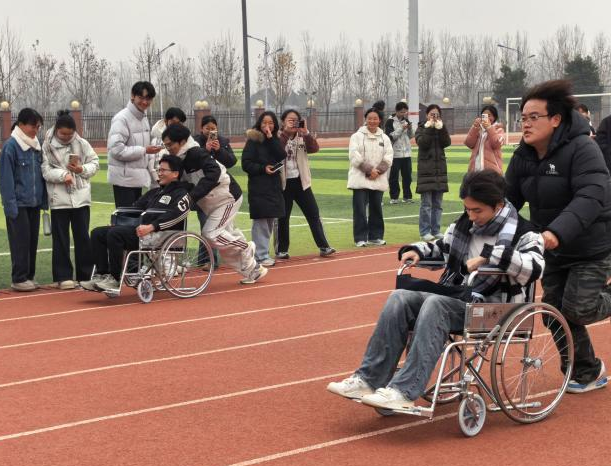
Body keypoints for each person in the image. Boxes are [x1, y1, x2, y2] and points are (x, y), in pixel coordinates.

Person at [327, 170, 545, 410]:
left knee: (436, 303)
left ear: (499, 205)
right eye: (468, 209)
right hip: (459, 298)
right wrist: (418, 252)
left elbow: (535, 268)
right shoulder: (464, 225)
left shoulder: (526, 233)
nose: (471, 217)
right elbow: (443, 249)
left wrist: (489, 256)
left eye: (478, 211)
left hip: (498, 308)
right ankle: (368, 380)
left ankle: (403, 391)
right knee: (399, 297)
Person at [505, 79, 611, 393]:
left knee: (578, 309)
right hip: (551, 249)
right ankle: (587, 371)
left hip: (592, 247)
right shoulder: (523, 156)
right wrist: (470, 226)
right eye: (523, 118)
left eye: (533, 117)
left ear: (555, 119)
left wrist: (555, 232)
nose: (525, 123)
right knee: (553, 314)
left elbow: (590, 197)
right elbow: (506, 202)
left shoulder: (583, 148)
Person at [163, 124, 265, 285]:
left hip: (227, 197)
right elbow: (185, 183)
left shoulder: (196, 153)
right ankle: (254, 270)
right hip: (211, 203)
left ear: (182, 141)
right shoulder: (179, 159)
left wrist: (192, 196)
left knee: (210, 233)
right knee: (225, 241)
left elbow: (214, 172)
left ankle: (246, 247)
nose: (168, 148)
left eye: (170, 144)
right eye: (166, 145)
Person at [82, 155, 192, 292]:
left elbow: (176, 215)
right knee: (98, 233)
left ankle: (114, 279)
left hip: (159, 234)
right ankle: (102, 275)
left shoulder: (182, 194)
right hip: (140, 231)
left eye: (163, 170)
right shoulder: (155, 192)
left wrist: (152, 226)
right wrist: (118, 221)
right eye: (159, 170)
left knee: (115, 234)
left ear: (175, 173)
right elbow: (134, 208)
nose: (159, 173)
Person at [41, 110, 99, 290]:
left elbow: (95, 163)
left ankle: (85, 275)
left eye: (69, 134)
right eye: (62, 134)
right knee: (61, 239)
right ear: (56, 130)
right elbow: (45, 171)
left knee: (83, 237)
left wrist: (81, 169)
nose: (66, 137)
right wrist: (63, 175)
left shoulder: (82, 143)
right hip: (58, 199)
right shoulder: (47, 145)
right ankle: (63, 276)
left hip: (81, 198)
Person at [276, 109, 335, 259]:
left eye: (295, 120)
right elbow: (275, 152)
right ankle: (281, 250)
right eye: (290, 120)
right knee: (283, 217)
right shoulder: (277, 137)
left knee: (313, 213)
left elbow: (314, 148)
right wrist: (285, 134)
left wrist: (306, 133)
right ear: (283, 122)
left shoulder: (302, 136)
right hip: (283, 183)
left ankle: (324, 246)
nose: (293, 122)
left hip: (301, 181)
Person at [0, 108, 47, 292]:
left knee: (32, 241)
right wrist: (10, 206)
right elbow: (6, 180)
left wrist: (43, 201)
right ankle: (19, 278)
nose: (36, 130)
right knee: (20, 241)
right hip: (18, 204)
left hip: (34, 203)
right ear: (21, 124)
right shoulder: (11, 147)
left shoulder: (36, 146)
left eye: (38, 127)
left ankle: (29, 276)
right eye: (33, 126)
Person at [241, 111, 287, 267]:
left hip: (273, 186)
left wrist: (270, 138)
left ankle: (263, 253)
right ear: (259, 124)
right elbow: (246, 163)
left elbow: (281, 155)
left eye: (271, 123)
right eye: (264, 123)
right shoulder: (253, 140)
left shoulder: (274, 139)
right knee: (260, 221)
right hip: (259, 186)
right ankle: (260, 255)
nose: (268, 126)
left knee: (269, 220)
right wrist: (262, 168)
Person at [107, 81, 162, 207]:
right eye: (141, 97)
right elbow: (116, 150)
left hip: (137, 179)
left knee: (135, 216)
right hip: (124, 181)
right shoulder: (122, 119)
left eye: (148, 98)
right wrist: (144, 150)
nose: (145, 102)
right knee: (126, 216)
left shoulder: (143, 117)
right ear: (133, 96)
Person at [193, 115, 237, 268]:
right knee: (206, 225)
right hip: (203, 190)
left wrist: (219, 150)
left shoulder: (222, 141)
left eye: (213, 128)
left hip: (221, 190)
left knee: (215, 227)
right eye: (207, 128)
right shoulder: (195, 142)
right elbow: (193, 162)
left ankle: (210, 260)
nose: (210, 131)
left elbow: (231, 161)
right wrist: (205, 150)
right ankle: (207, 260)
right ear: (201, 128)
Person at [348, 108, 394, 247]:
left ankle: (376, 236)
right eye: (370, 118)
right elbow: (354, 155)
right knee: (360, 209)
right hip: (360, 178)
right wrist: (368, 170)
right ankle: (360, 238)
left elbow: (389, 156)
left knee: (376, 208)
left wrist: (377, 171)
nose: (372, 121)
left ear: (380, 120)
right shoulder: (356, 136)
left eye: (375, 118)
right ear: (365, 119)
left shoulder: (384, 138)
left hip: (378, 178)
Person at [415, 104, 451, 242]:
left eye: (437, 114)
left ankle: (436, 230)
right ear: (427, 115)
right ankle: (425, 231)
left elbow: (446, 142)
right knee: (426, 204)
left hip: (439, 170)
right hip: (426, 171)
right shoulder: (421, 128)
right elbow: (423, 143)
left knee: (438, 204)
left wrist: (441, 129)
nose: (434, 116)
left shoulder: (441, 127)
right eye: (432, 114)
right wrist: (429, 127)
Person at [148, 107, 191, 189]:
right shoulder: (158, 139)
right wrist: (161, 183)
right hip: (160, 185)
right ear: (166, 121)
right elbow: (154, 164)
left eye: (179, 123)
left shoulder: (184, 137)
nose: (176, 125)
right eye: (174, 122)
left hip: (177, 184)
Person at [384, 101, 415, 204]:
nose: (403, 114)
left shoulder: (406, 120)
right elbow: (390, 137)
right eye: (401, 112)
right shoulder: (390, 121)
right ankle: (394, 197)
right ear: (396, 111)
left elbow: (411, 136)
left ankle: (407, 197)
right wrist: (401, 128)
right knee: (394, 177)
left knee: (407, 177)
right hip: (395, 154)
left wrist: (410, 129)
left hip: (406, 153)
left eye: (405, 112)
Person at [465, 105, 506, 174]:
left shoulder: (499, 130)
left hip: (492, 172)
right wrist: (474, 127)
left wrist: (489, 128)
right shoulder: (478, 129)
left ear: (494, 117)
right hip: (475, 170)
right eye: (484, 116)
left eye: (489, 115)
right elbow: (469, 144)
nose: (487, 118)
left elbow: (496, 144)